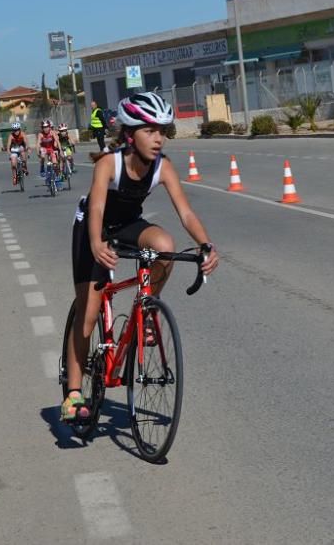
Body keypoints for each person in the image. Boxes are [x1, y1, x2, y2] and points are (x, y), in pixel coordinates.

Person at [61, 92, 219, 422]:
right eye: (150, 131)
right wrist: (96, 244)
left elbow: (186, 213)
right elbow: (97, 208)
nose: (159, 138)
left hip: (128, 225)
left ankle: (146, 310)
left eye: (162, 130)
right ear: (131, 135)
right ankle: (74, 394)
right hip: (93, 227)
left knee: (165, 244)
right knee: (88, 317)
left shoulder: (164, 167)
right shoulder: (109, 163)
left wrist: (206, 246)